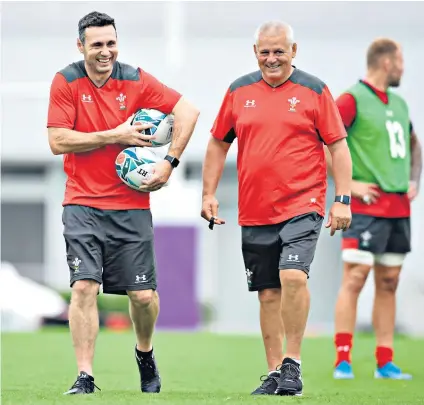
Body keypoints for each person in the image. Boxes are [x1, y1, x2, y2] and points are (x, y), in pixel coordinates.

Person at [47, 11, 199, 395]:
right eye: (96, 44)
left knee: (143, 296)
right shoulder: (66, 81)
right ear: (80, 46)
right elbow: (58, 141)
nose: (105, 51)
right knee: (83, 287)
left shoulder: (135, 79)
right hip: (81, 202)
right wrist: (113, 135)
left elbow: (189, 112)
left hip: (131, 206)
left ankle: (144, 353)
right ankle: (85, 375)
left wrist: (169, 162)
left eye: (111, 43)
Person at [201, 20, 352, 396]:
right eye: (265, 51)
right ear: (255, 53)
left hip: (304, 202)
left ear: (294, 51)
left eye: (279, 51)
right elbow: (218, 143)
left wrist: (342, 198)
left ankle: (293, 363)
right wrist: (208, 193)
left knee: (293, 276)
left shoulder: (314, 90)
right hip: (254, 209)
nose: (272, 58)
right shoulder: (238, 91)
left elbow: (338, 146)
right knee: (268, 292)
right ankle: (273, 373)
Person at [328, 38, 422, 380]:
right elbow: (325, 142)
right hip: (366, 209)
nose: (402, 69)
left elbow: (414, 144)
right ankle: (343, 360)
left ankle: (385, 362)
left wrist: (415, 179)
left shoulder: (399, 104)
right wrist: (348, 186)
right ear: (386, 62)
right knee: (354, 278)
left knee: (390, 281)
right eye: (400, 61)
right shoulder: (351, 99)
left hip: (398, 208)